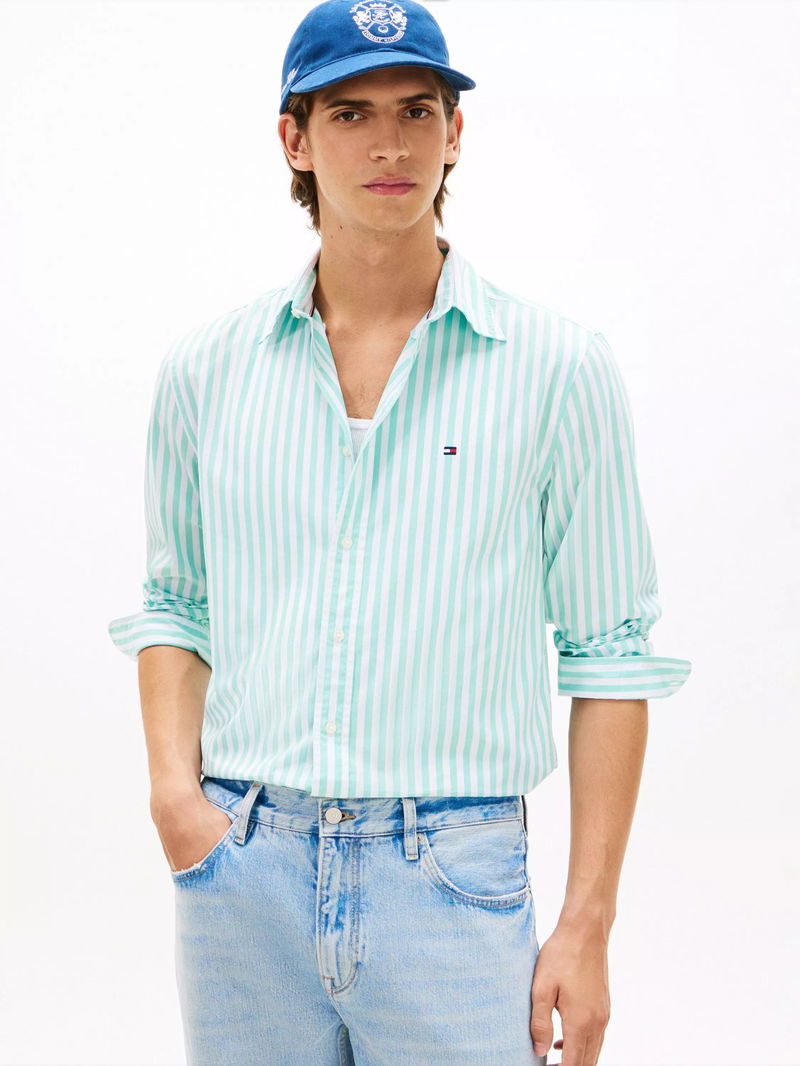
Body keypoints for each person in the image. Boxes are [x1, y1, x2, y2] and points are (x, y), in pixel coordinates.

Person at [107, 2, 692, 1064]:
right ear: (294, 139)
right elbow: (176, 603)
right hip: (243, 870)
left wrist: (587, 920)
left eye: (418, 111)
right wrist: (174, 802)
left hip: (452, 879)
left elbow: (610, 653)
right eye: (351, 113)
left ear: (454, 133)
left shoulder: (555, 369)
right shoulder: (207, 370)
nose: (390, 144)